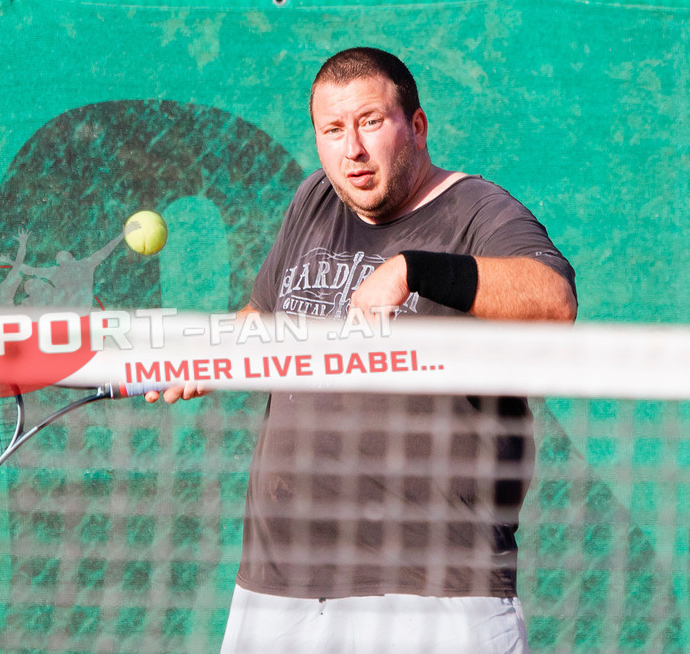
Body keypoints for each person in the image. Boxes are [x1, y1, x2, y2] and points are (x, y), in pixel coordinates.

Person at [148, 47, 577, 653]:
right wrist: (204, 352)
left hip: (434, 589)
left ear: (417, 127)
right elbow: (264, 318)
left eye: (371, 122)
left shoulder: (477, 209)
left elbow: (553, 299)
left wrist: (416, 269)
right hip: (281, 582)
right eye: (333, 130)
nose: (351, 149)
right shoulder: (314, 201)